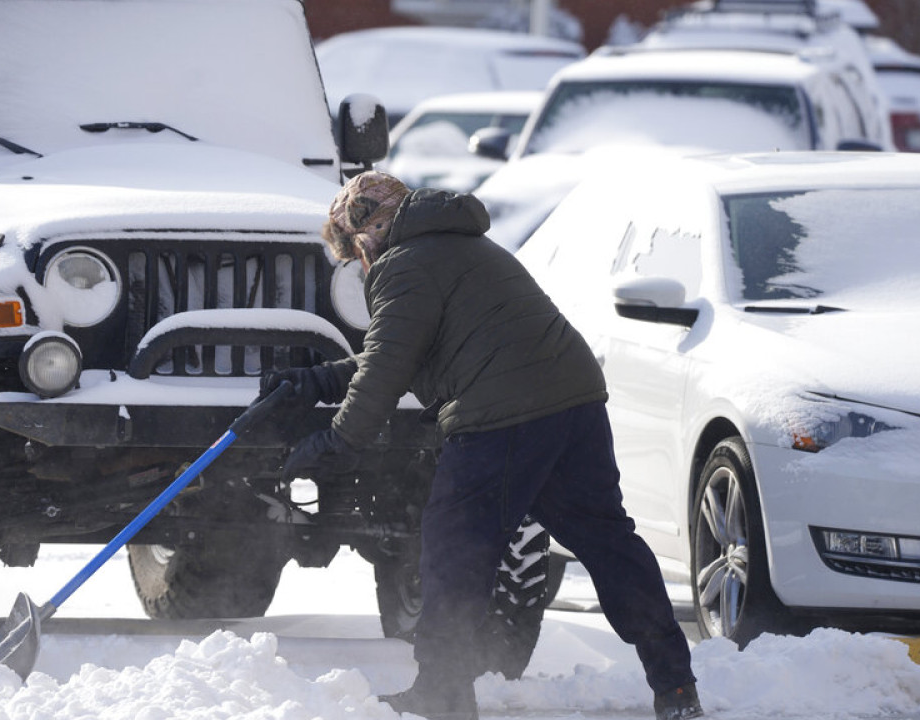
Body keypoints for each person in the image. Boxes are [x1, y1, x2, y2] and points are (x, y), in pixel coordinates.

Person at [260, 171, 703, 720]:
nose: (360, 263)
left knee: (454, 550)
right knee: (608, 543)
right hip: (574, 401)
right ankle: (675, 684)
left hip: (502, 415)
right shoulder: (460, 243)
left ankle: (442, 692)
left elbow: (387, 364)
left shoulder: (404, 265)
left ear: (369, 233)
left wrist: (338, 440)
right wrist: (321, 380)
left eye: (354, 253)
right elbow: (412, 346)